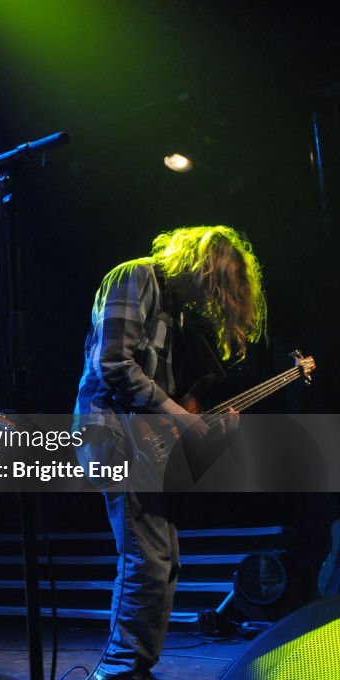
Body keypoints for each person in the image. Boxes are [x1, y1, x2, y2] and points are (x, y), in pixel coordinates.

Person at [73, 226, 266, 680]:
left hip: (138, 439)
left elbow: (165, 395)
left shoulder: (174, 311)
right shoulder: (135, 277)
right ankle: (120, 669)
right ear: (199, 264)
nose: (213, 296)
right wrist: (182, 418)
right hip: (110, 434)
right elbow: (113, 365)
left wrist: (206, 424)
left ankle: (134, 664)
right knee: (147, 555)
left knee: (164, 557)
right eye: (215, 282)